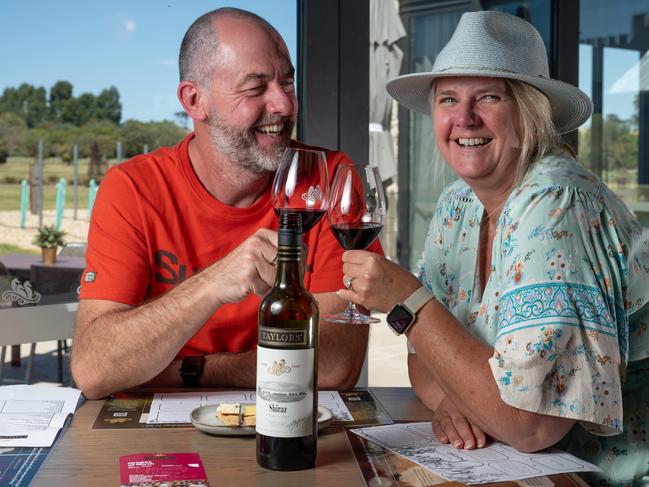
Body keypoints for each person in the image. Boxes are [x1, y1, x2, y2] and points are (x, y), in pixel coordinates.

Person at [337, 11, 649, 486]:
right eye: (448, 99)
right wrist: (450, 404)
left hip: (605, 475)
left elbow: (530, 424)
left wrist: (409, 298)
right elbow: (423, 361)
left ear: (530, 113)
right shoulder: (456, 203)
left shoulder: (556, 201)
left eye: (488, 97)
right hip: (520, 470)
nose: (464, 118)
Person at [71, 7, 379, 400]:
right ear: (195, 100)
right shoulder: (133, 187)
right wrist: (212, 284)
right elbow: (95, 369)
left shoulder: (329, 178)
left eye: (288, 82)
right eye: (256, 88)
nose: (283, 105)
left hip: (285, 422)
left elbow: (335, 363)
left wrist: (189, 370)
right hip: (150, 437)